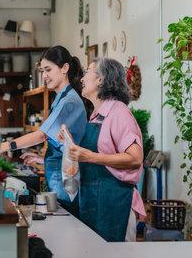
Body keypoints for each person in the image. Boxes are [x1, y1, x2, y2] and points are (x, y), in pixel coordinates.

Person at [58, 57, 146, 242]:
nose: (81, 79)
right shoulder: (97, 116)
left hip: (115, 205)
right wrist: (70, 146)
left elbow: (135, 158)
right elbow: (98, 153)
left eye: (87, 72)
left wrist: (90, 156)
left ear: (101, 79)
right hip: (96, 204)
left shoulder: (118, 112)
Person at [0, 46, 88, 214]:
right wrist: (42, 158)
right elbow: (62, 144)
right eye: (42, 71)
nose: (44, 76)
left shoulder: (68, 101)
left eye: (48, 70)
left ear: (65, 68)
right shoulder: (61, 98)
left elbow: (41, 135)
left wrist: (6, 146)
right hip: (60, 178)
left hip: (67, 183)